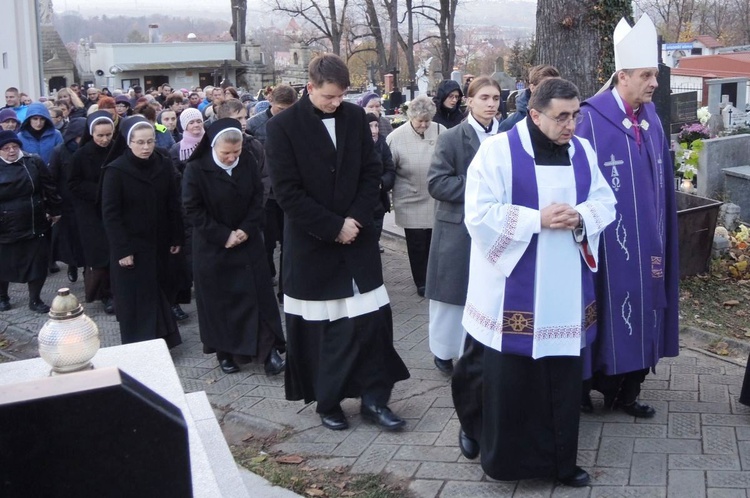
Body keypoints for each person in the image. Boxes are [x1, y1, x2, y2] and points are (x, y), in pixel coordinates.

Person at [453, 77, 616, 486]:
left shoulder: (582, 151)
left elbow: (605, 200)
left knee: (559, 380)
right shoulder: (497, 152)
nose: (571, 125)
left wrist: (582, 217)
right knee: (501, 377)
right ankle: (488, 443)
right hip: (510, 288)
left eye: (575, 115)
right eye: (562, 116)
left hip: (562, 288)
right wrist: (535, 220)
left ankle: (560, 463)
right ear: (534, 114)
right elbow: (478, 213)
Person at [266, 53, 409, 431]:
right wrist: (333, 227)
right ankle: (327, 400)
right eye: (329, 97)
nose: (336, 103)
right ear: (310, 87)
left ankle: (375, 400)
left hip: (357, 239)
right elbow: (287, 192)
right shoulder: (282, 128)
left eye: (341, 96)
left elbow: (370, 171)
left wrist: (356, 220)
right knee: (324, 330)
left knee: (372, 325)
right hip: (314, 244)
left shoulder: (355, 118)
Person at [577, 15, 680, 418]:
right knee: (602, 307)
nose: (654, 83)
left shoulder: (650, 116)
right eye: (646, 75)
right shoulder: (589, 118)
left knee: (645, 305)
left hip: (648, 242)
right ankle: (588, 385)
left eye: (654, 74)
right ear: (622, 77)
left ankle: (628, 390)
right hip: (607, 246)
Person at [182, 118, 286, 375]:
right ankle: (224, 351)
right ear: (213, 148)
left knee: (258, 297)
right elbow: (192, 209)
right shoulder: (196, 169)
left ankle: (269, 351)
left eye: (236, 153)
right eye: (225, 154)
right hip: (213, 246)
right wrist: (223, 235)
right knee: (221, 302)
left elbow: (256, 198)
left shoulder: (247, 161)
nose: (231, 158)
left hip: (247, 241)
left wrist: (246, 229)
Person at [426, 76, 501, 375]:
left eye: (495, 98)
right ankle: (443, 351)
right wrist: (480, 188)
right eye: (484, 98)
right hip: (458, 227)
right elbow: (437, 183)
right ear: (469, 101)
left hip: (496, 225)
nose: (491, 104)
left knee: (489, 290)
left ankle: (484, 347)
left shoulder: (508, 134)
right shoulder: (452, 137)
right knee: (452, 294)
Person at [100, 116, 184, 347]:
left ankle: (163, 338)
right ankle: (140, 343)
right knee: (136, 296)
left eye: (150, 141)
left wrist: (176, 235)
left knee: (159, 289)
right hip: (132, 244)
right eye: (140, 142)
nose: (146, 147)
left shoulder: (163, 163)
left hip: (159, 240)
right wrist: (122, 249)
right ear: (129, 143)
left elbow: (172, 202)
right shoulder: (116, 171)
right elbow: (111, 214)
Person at [386, 95, 446, 297]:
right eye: (420, 121)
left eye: (427, 121)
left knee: (433, 242)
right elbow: (389, 169)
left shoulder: (441, 131)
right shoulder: (396, 138)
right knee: (417, 243)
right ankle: (421, 282)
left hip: (435, 197)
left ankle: (435, 279)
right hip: (409, 197)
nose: (423, 125)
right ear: (411, 117)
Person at [0, 130, 62, 313]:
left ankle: (35, 299)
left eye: (15, 146)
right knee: (3, 264)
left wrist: (55, 209)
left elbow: (48, 186)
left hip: (34, 221)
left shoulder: (33, 161)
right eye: (6, 148)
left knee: (37, 263)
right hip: (4, 226)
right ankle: (3, 297)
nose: (11, 151)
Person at [68, 111, 117, 314]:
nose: (105, 140)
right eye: (100, 135)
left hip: (115, 209)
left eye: (108, 135)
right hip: (91, 213)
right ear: (91, 134)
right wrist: (99, 190)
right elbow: (73, 183)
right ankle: (104, 294)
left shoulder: (117, 150)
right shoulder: (81, 155)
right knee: (99, 255)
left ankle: (117, 291)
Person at [48, 117, 86, 284]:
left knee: (86, 239)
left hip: (86, 203)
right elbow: (52, 178)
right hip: (67, 203)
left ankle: (87, 268)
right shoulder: (59, 151)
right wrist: (55, 202)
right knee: (70, 239)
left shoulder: (88, 150)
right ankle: (72, 264)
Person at [366, 113, 396, 253]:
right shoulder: (355, 145)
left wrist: (381, 183)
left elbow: (390, 170)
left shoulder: (382, 144)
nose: (374, 130)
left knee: (376, 231)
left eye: (376, 125)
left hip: (379, 200)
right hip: (363, 201)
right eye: (370, 126)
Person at [499, 65, 560, 132]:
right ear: (532, 88)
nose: (554, 91)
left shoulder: (568, 121)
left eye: (557, 86)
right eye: (547, 87)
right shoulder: (510, 125)